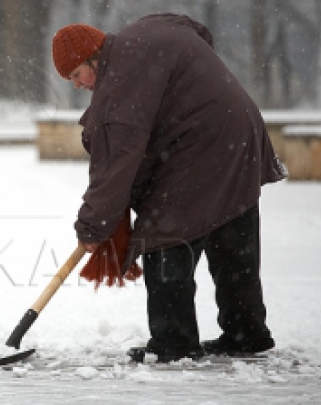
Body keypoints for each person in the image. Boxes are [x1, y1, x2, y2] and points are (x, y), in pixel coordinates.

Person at [51, 14, 288, 363]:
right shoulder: (148, 31)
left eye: (75, 74)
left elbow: (114, 169)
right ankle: (245, 332)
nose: (77, 84)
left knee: (163, 235)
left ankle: (174, 342)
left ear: (93, 57)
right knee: (231, 231)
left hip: (199, 146)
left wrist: (92, 226)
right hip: (242, 132)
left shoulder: (119, 85)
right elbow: (199, 32)